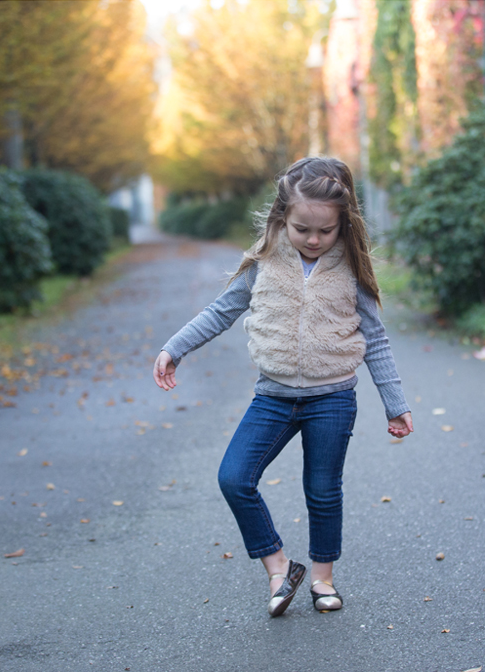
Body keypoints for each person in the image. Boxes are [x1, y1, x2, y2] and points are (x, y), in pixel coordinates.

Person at [153, 157, 413, 617]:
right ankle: (279, 567)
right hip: (273, 396)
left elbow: (375, 338)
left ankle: (322, 579)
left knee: (323, 489)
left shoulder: (351, 268)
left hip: (332, 398)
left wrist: (395, 404)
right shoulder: (263, 263)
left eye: (325, 232)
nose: (313, 240)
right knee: (234, 477)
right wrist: (175, 348)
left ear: (342, 226)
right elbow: (221, 311)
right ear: (281, 219)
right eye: (302, 229)